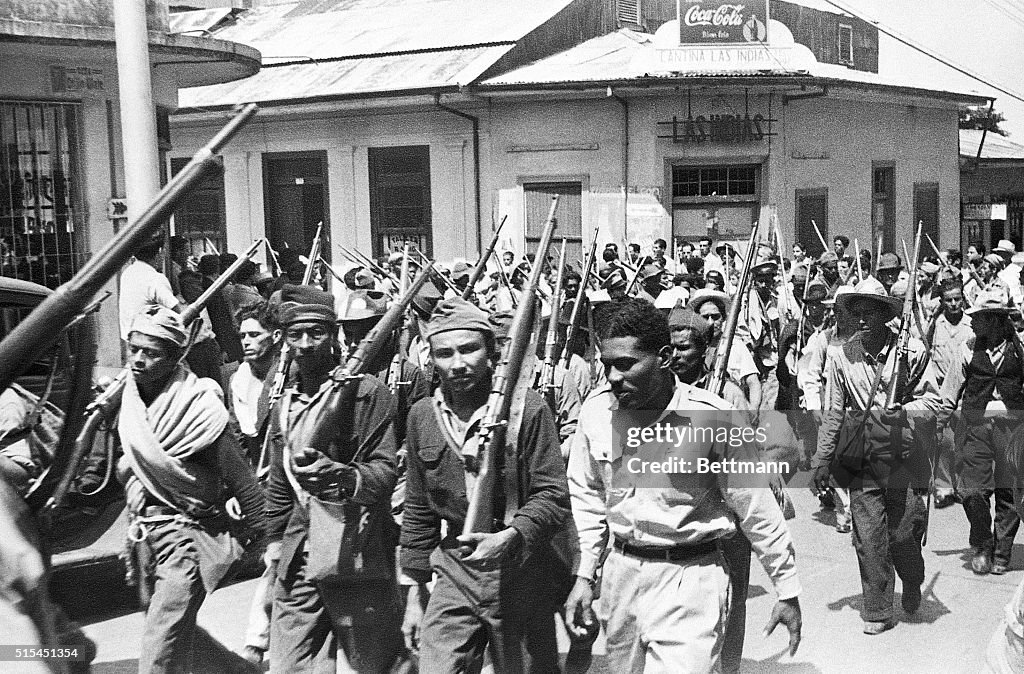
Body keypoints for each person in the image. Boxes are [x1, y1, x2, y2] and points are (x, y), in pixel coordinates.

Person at [564, 298, 801, 671]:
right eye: (606, 365)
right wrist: (584, 574)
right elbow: (587, 496)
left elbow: (755, 507)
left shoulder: (712, 416)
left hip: (692, 580)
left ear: (662, 356)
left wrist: (786, 589)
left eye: (626, 365)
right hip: (621, 576)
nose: (612, 377)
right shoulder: (596, 413)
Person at [400, 298, 572, 672]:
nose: (458, 363)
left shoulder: (527, 409)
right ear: (430, 358)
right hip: (455, 568)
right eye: (444, 353)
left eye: (469, 349)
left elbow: (553, 495)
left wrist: (511, 536)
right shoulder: (423, 416)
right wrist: (414, 591)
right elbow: (418, 507)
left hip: (520, 568)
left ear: (492, 353)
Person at [118, 305, 265, 673]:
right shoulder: (126, 399)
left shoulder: (198, 407)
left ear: (175, 356)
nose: (138, 360)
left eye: (150, 353)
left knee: (161, 642)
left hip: (187, 534)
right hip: (144, 536)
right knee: (173, 628)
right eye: (133, 349)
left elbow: (241, 478)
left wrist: (269, 540)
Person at [266, 284, 402, 673]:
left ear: (335, 335)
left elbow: (384, 474)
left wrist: (341, 475)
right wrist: (274, 547)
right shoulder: (285, 404)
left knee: (373, 665)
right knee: (291, 666)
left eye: (316, 333)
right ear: (286, 340)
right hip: (298, 554)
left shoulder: (368, 394)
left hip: (355, 550)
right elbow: (279, 486)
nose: (306, 344)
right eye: (296, 335)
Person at [810, 280, 933, 634]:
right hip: (863, 452)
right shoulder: (840, 355)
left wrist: (906, 411)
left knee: (902, 532)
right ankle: (878, 609)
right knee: (868, 536)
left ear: (885, 315)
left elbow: (934, 400)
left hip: (904, 453)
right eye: (856, 313)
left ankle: (911, 578)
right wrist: (822, 458)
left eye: (869, 313)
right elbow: (834, 411)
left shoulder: (909, 351)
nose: (861, 320)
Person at [915, 289, 1024, 576]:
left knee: (1010, 493)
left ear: (997, 321)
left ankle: (1002, 550)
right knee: (971, 490)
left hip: (1013, 428)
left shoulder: (1021, 348)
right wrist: (937, 426)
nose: (972, 322)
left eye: (980, 318)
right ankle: (982, 543)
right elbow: (950, 393)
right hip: (976, 427)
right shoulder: (967, 348)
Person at [229, 302, 283, 666]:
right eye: (243, 335)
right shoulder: (238, 378)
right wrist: (238, 488)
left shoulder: (290, 374)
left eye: (254, 334)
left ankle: (256, 641)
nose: (246, 342)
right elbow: (236, 436)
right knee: (274, 559)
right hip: (259, 479)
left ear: (275, 337)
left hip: (291, 480)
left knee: (276, 559)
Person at [925, 279, 973, 510]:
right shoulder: (935, 324)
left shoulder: (971, 324)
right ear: (942, 301)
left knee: (962, 442)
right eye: (948, 300)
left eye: (957, 299)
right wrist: (931, 320)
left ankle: (962, 485)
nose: (953, 304)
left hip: (965, 390)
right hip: (940, 389)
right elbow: (924, 348)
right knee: (942, 439)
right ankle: (943, 487)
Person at [691, 289, 761, 409]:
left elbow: (753, 383)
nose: (710, 322)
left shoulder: (736, 345)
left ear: (723, 318)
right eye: (705, 317)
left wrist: (753, 411)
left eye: (715, 317)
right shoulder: (692, 346)